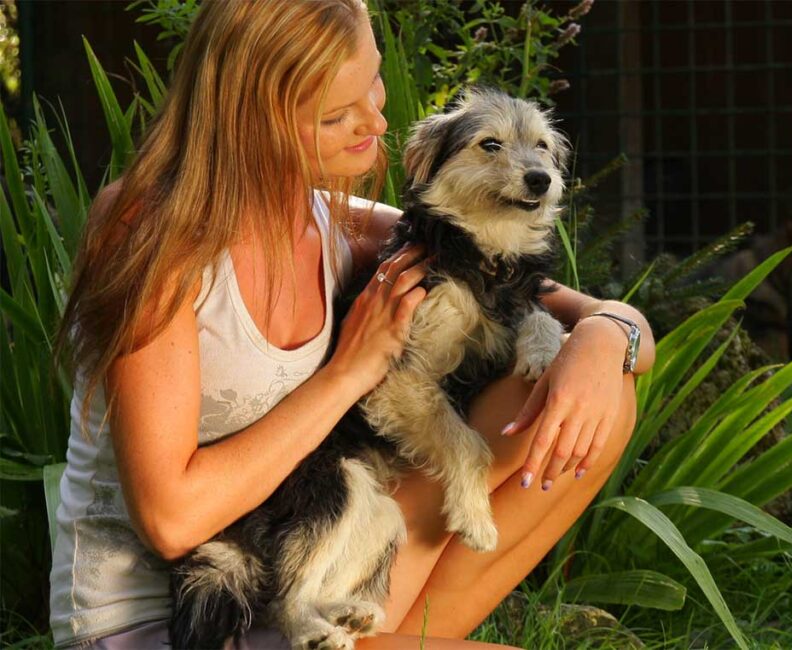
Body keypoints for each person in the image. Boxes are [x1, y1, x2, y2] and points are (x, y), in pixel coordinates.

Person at [50, 1, 653, 648]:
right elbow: (172, 520)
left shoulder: (339, 222)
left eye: (371, 80)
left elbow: (571, 307)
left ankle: (389, 627)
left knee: (594, 391)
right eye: (336, 114)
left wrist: (605, 333)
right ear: (251, 121)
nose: (377, 120)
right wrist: (349, 372)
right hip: (168, 619)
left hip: (327, 576)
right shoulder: (152, 234)